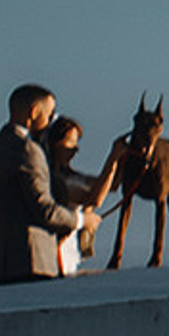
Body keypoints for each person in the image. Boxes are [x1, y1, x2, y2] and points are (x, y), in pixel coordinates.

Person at [0, 85, 86, 286]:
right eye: (49, 113)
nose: (51, 120)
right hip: (30, 261)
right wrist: (80, 220)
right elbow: (44, 209)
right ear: (34, 112)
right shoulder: (29, 151)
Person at [43, 115, 109, 275]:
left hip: (71, 253)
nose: (75, 149)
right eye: (71, 142)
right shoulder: (55, 181)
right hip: (56, 255)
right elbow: (95, 197)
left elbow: (109, 185)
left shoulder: (74, 176)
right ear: (55, 144)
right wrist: (112, 160)